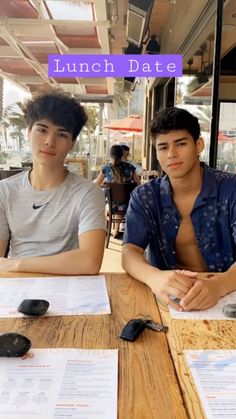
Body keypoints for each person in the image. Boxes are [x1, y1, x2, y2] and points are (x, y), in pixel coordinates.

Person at [122, 107, 236, 311]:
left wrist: (219, 285)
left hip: (229, 295)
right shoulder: (146, 196)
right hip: (169, 299)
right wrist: (153, 277)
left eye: (181, 144)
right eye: (163, 147)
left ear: (198, 145)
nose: (172, 154)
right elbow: (129, 251)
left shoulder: (230, 190)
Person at [0, 89, 106, 275]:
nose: (50, 141)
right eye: (42, 130)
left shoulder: (88, 192)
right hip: (15, 288)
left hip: (68, 288)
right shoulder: (5, 191)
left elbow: (89, 262)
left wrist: (16, 264)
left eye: (62, 134)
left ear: (72, 143)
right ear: (28, 132)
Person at [94, 144, 140, 238]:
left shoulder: (107, 168)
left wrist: (108, 186)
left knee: (103, 202)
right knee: (120, 200)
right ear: (122, 154)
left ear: (111, 156)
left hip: (112, 206)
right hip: (128, 205)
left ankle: (107, 228)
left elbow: (97, 184)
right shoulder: (130, 167)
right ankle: (116, 229)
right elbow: (138, 184)